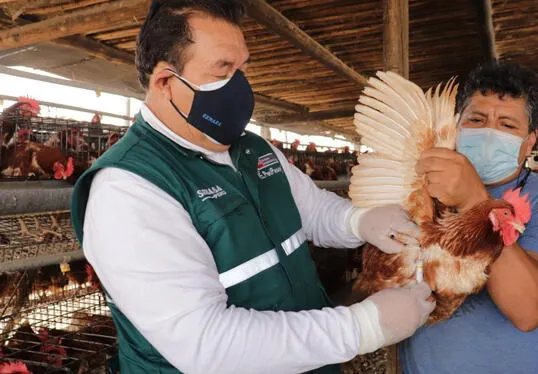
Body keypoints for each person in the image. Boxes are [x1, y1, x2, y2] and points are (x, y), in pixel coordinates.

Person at [69, 1, 435, 373]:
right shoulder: (129, 190)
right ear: (166, 83)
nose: (241, 84)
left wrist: (359, 221)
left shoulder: (254, 150)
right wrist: (360, 327)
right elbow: (207, 344)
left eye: (242, 67)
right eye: (223, 69)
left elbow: (313, 211)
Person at [401, 61, 538, 373]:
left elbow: (529, 311)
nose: (489, 133)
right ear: (457, 125)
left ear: (529, 143)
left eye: (508, 126)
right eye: (477, 119)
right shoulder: (423, 185)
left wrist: (475, 201)